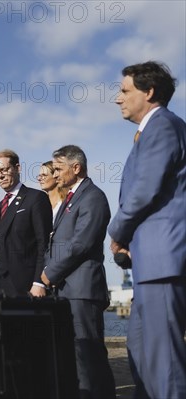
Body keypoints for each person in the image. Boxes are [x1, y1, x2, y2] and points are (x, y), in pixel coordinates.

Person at [107, 61, 186, 399]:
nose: (117, 98)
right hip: (147, 265)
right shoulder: (150, 132)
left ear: (148, 92)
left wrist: (117, 233)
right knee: (142, 357)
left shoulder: (163, 126)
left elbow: (143, 191)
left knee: (164, 363)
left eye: (125, 91)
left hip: (162, 262)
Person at [41, 145, 115, 398]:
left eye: (59, 168)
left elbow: (81, 243)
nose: (55, 173)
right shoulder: (70, 197)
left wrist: (50, 272)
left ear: (76, 167)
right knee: (75, 356)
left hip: (82, 289)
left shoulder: (93, 196)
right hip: (65, 289)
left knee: (89, 355)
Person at [0, 149, 52, 297]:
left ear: (17, 168)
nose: (1, 176)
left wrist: (39, 282)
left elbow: (44, 243)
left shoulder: (36, 198)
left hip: (26, 285)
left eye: (4, 169)